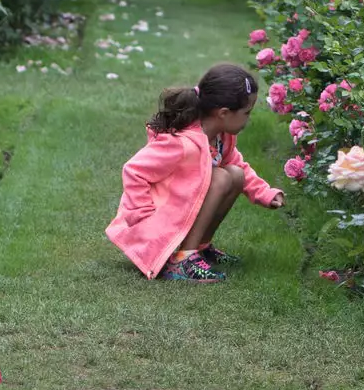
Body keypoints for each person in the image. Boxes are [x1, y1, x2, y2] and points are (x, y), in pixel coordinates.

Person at [106, 62, 284, 282]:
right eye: (247, 112)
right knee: (220, 177)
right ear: (224, 113)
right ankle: (182, 261)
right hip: (154, 225)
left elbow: (240, 166)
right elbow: (134, 170)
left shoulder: (221, 138)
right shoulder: (182, 143)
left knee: (235, 174)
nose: (249, 119)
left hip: (180, 217)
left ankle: (198, 249)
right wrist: (141, 214)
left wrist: (265, 193)